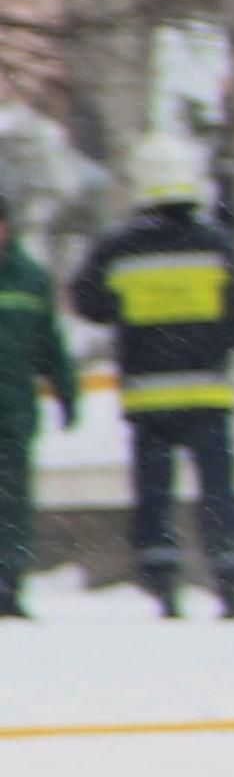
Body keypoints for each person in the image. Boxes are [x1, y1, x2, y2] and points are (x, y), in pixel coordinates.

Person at [67, 133, 234, 619]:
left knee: (154, 493)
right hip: (208, 393)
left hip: (148, 398)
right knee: (219, 490)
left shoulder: (118, 247)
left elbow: (89, 303)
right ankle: (230, 577)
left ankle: (163, 580)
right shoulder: (218, 245)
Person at [0, 196, 75, 616]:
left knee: (12, 502)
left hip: (13, 412)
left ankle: (9, 583)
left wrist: (66, 389)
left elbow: (49, 341)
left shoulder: (30, 278)